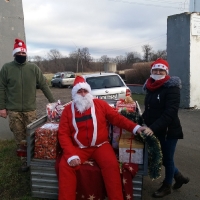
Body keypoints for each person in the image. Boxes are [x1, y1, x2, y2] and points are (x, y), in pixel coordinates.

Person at [57, 75, 153, 200]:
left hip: (101, 146)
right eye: (79, 91)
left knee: (112, 167)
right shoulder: (67, 111)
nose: (82, 94)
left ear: (89, 92)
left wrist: (136, 128)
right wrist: (71, 154)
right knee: (65, 166)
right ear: (74, 94)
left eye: (85, 91)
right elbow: (63, 134)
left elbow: (117, 119)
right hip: (79, 147)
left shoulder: (100, 105)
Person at [0, 38, 55, 172]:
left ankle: (35, 159)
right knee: (20, 137)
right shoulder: (7, 68)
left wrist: (53, 102)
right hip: (14, 110)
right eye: (19, 54)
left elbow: (43, 85)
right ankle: (24, 162)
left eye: (24, 54)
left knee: (32, 136)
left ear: (26, 54)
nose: (21, 56)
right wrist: (2, 107)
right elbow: (1, 87)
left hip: (30, 110)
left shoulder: (33, 68)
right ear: (15, 54)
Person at [142, 58, 190, 198]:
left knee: (167, 159)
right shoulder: (151, 86)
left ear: (166, 72)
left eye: (161, 70)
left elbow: (170, 112)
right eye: (155, 70)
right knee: (161, 158)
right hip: (156, 129)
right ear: (151, 72)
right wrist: (141, 120)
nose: (158, 72)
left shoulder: (172, 87)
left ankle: (167, 186)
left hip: (169, 130)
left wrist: (152, 128)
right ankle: (179, 177)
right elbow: (149, 109)